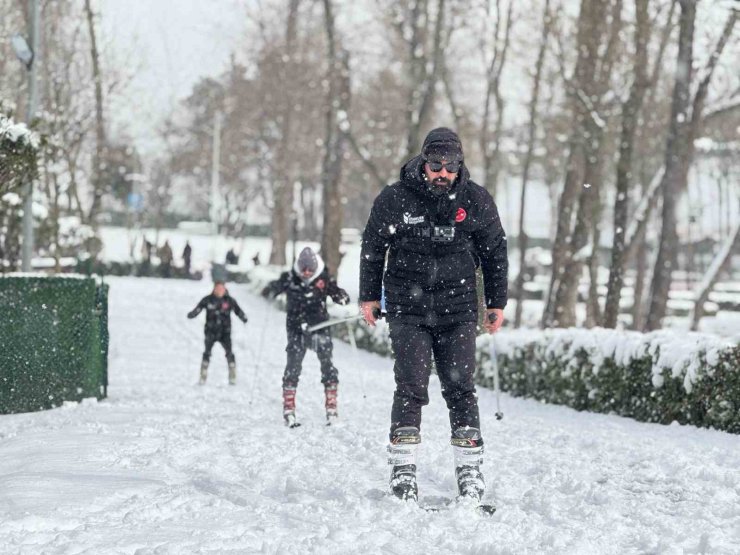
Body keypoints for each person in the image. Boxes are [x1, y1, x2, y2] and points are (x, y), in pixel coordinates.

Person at [359, 127, 508, 504]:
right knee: (411, 385)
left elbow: (495, 252)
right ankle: (403, 471)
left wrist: (496, 302)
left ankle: (470, 471)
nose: (442, 173)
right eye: (436, 164)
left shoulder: (475, 200)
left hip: (458, 310)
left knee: (460, 388)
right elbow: (373, 246)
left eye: (450, 166)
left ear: (459, 165)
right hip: (408, 310)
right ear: (424, 162)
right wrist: (367, 297)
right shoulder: (396, 199)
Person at [261, 247, 350, 427]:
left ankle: (331, 408)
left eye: (310, 269)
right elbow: (271, 289)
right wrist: (270, 290)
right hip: (296, 330)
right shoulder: (290, 278)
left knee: (328, 366)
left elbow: (337, 293)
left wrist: (342, 297)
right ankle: (289, 408)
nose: (307, 273)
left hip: (319, 328)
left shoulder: (323, 279)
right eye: (304, 269)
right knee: (293, 367)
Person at [187, 281, 248, 385]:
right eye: (218, 288)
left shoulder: (229, 300)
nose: (220, 291)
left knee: (229, 353)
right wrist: (192, 314)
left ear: (225, 289)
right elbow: (198, 309)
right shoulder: (208, 300)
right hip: (210, 331)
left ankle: (232, 376)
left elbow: (238, 311)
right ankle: (203, 376)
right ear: (214, 289)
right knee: (207, 353)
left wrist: (243, 317)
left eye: (221, 288)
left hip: (225, 332)